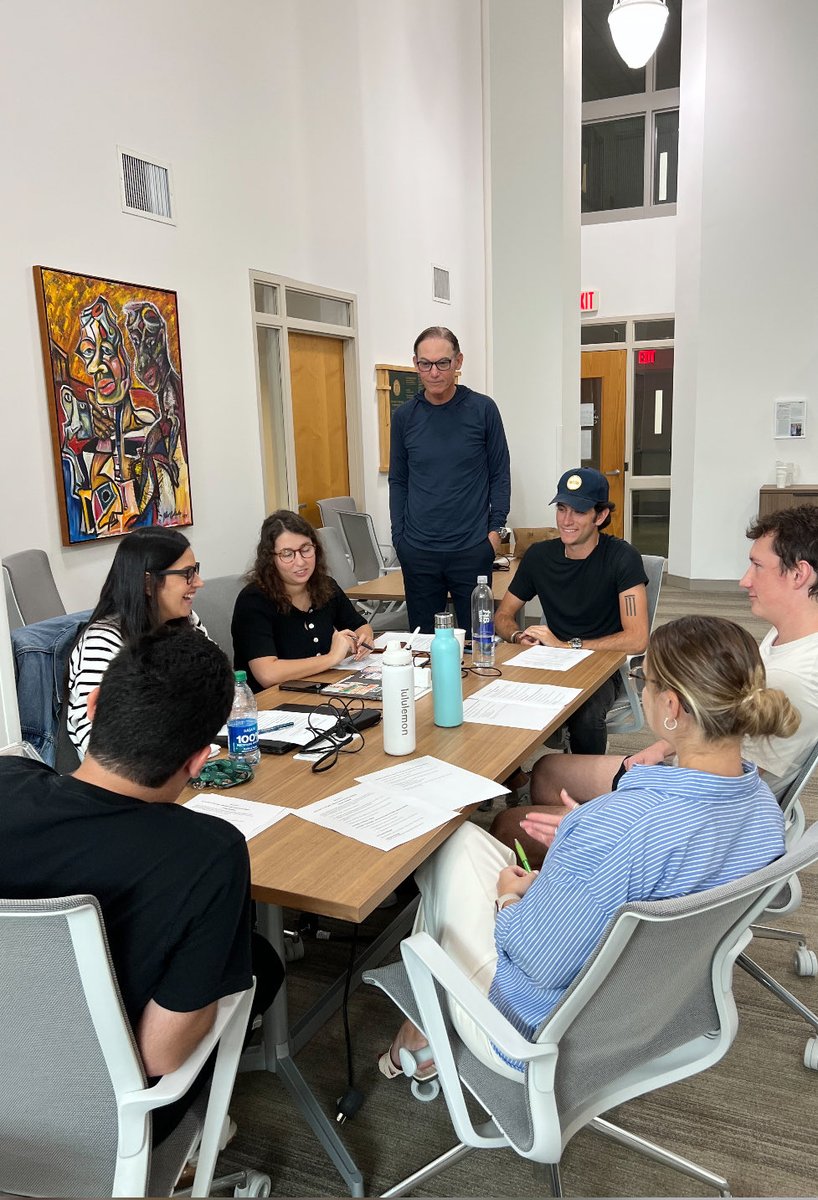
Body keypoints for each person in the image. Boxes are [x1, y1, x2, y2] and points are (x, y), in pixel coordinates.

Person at [381, 616, 792, 1082]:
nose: (640, 690)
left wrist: (511, 900)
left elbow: (536, 958)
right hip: (653, 1004)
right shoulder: (761, 808)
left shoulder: (624, 825)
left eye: (644, 679)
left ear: (672, 706)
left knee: (450, 843)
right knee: (476, 844)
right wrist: (577, 858)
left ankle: (419, 1034)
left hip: (537, 1032)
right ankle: (419, 1032)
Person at [0, 626, 283, 1141]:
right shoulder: (208, 852)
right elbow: (160, 1053)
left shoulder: (6, 776)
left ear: (92, 704)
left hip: (9, 1096)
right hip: (95, 1130)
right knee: (259, 962)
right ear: (199, 759)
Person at [494, 504, 818, 861]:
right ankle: (563, 865)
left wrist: (608, 818)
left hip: (697, 822)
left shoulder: (793, 678)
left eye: (757, 565)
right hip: (686, 774)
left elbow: (728, 795)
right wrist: (660, 749)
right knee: (547, 770)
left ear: (799, 574)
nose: (744, 579)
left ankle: (570, 871)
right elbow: (724, 721)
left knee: (507, 827)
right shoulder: (787, 635)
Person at [494, 467, 648, 754]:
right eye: (562, 509)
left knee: (586, 714)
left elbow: (637, 638)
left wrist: (568, 646)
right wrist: (517, 636)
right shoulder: (539, 557)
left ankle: (585, 789)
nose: (566, 520)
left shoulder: (622, 558)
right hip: (545, 659)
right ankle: (509, 780)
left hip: (600, 665)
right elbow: (502, 616)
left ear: (600, 516)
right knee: (490, 692)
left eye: (578, 511)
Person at [388, 326, 511, 633]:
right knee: (424, 645)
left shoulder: (483, 410)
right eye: (425, 364)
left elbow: (500, 473)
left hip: (472, 549)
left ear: (458, 362)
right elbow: (399, 480)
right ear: (415, 364)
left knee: (478, 644)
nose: (434, 372)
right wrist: (399, 537)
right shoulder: (405, 417)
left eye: (443, 363)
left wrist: (495, 531)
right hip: (418, 550)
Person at [66, 526, 206, 758]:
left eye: (196, 570)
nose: (198, 582)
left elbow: (222, 687)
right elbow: (97, 744)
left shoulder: (186, 621)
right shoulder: (102, 641)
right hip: (132, 778)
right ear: (147, 583)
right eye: (187, 573)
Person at [231, 509, 373, 692]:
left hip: (322, 690)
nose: (300, 562)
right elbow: (268, 674)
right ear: (270, 558)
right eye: (287, 554)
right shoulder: (253, 601)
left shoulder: (325, 586)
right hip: (272, 704)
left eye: (306, 550)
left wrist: (364, 639)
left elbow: (360, 626)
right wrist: (332, 657)